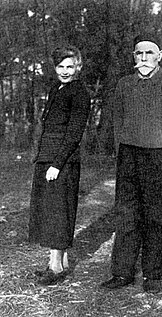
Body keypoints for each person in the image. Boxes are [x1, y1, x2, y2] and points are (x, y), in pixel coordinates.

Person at [101, 34, 162, 293]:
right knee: (126, 216)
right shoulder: (124, 85)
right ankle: (122, 273)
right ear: (134, 57)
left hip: (161, 157)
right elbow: (117, 120)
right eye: (138, 54)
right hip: (129, 157)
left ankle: (153, 274)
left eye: (149, 53)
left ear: (160, 56)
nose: (143, 58)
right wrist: (121, 148)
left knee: (155, 217)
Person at [29, 45, 90, 285]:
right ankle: (61, 262)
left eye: (70, 66)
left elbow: (74, 133)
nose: (65, 71)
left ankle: (54, 267)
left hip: (62, 161)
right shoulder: (57, 88)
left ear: (78, 67)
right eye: (61, 67)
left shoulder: (80, 92)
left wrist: (57, 163)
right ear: (55, 68)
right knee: (51, 209)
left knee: (58, 211)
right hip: (47, 158)